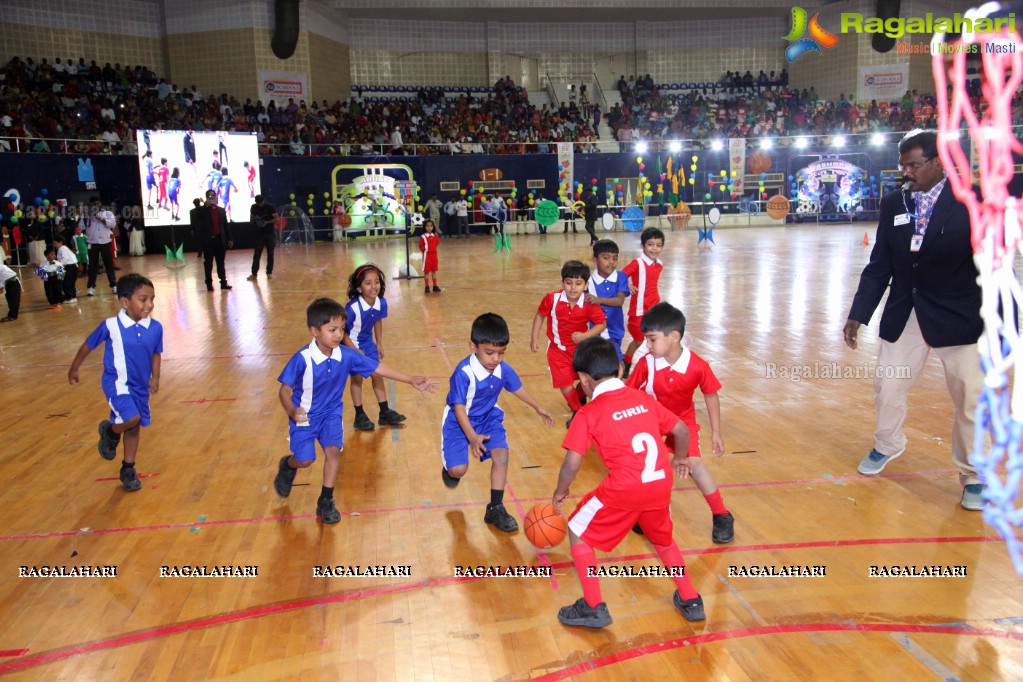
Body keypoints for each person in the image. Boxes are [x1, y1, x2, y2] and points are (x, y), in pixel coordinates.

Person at [844, 129, 985, 510]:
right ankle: (888, 444)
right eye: (903, 164)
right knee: (887, 387)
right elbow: (880, 265)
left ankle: (973, 475)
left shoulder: (972, 201)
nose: (907, 171)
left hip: (959, 315)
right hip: (906, 310)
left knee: (970, 400)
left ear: (940, 162)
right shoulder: (894, 203)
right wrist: (858, 314)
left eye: (915, 164)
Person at [553, 336, 705, 628]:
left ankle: (594, 606)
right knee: (663, 540)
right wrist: (682, 459)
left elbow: (572, 462)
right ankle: (691, 598)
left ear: (583, 379)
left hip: (624, 487)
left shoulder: (588, 413)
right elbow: (682, 429)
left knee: (577, 530)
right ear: (620, 371)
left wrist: (561, 491)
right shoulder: (643, 399)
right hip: (660, 483)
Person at [274, 298, 436, 523]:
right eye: (332, 330)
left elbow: (377, 367)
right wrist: (292, 410)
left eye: (341, 329)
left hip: (331, 413)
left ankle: (326, 500)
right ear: (314, 331)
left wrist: (410, 380)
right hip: (305, 417)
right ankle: (288, 465)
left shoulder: (347, 355)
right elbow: (284, 390)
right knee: (305, 460)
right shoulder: (302, 359)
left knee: (333, 453)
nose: (339, 334)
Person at [626, 302, 734, 542]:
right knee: (647, 468)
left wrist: (716, 431)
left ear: (674, 337)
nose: (647, 345)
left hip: (683, 421)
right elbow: (627, 393)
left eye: (652, 339)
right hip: (652, 422)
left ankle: (721, 515)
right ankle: (648, 513)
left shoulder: (698, 365)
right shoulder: (646, 363)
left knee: (694, 464)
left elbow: (710, 394)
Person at [441, 313, 555, 531]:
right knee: (458, 470)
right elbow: (459, 408)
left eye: (501, 353)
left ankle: (495, 508)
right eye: (490, 353)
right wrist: (472, 437)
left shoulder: (503, 368)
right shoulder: (463, 373)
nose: (496, 359)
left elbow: (517, 388)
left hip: (488, 417)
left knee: (501, 456)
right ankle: (449, 470)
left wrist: (537, 406)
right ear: (473, 347)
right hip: (459, 420)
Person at [68, 273, 162, 492]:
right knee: (132, 418)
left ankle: (128, 468)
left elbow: (156, 353)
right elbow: (88, 345)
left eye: (152, 299)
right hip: (116, 384)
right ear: (124, 302)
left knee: (134, 427)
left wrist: (155, 377)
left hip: (139, 387)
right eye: (143, 299)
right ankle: (110, 432)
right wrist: (74, 367)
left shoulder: (155, 327)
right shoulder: (111, 326)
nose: (149, 304)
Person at [530, 260, 607, 426]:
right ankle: (580, 413)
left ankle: (579, 397)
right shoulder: (552, 299)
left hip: (581, 351)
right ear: (562, 283)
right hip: (557, 351)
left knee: (586, 381)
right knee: (564, 384)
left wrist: (585, 336)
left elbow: (601, 324)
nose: (573, 288)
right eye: (569, 283)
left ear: (585, 285)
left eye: (578, 283)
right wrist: (534, 338)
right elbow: (540, 315)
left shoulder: (588, 304)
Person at [344, 263, 405, 430]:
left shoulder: (381, 303)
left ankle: (384, 412)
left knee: (377, 374)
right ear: (359, 288)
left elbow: (378, 320)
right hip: (351, 344)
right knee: (357, 378)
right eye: (368, 283)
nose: (374, 286)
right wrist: (354, 350)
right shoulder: (352, 308)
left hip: (367, 343)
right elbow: (341, 332)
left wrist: (379, 343)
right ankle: (359, 414)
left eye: (376, 282)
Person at [622, 227, 665, 368]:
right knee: (639, 341)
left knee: (656, 339)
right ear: (642, 246)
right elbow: (621, 276)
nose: (654, 249)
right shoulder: (637, 263)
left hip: (654, 310)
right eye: (650, 244)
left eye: (658, 245)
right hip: (638, 311)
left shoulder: (659, 265)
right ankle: (627, 361)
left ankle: (655, 367)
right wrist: (627, 285)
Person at [585, 239, 630, 363]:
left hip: (616, 330)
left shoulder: (621, 276)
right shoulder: (588, 282)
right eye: (606, 258)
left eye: (615, 258)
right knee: (617, 364)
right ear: (595, 260)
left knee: (607, 365)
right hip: (599, 332)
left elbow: (619, 300)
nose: (611, 262)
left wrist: (598, 300)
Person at [191, 188, 233, 292]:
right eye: (209, 196)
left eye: (213, 196)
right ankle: (209, 283)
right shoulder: (203, 210)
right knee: (208, 263)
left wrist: (229, 238)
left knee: (221, 262)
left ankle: (223, 282)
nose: (212, 197)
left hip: (220, 240)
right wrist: (205, 207)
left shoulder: (221, 210)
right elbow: (198, 218)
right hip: (208, 241)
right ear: (207, 198)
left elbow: (225, 225)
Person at [80, 197, 117, 297]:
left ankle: (114, 285)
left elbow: (112, 224)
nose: (95, 205)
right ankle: (91, 287)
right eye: (93, 204)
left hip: (105, 242)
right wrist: (86, 217)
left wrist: (98, 217)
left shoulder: (107, 213)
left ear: (100, 203)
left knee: (109, 264)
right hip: (92, 242)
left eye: (97, 203)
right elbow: (81, 227)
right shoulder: (86, 214)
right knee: (92, 266)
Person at [247, 194, 278, 281]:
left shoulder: (270, 207)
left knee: (270, 253)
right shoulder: (253, 207)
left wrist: (266, 222)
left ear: (263, 200)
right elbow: (251, 219)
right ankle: (254, 274)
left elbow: (277, 219)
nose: (259, 204)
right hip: (259, 234)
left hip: (269, 233)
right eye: (258, 203)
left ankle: (269, 272)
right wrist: (255, 221)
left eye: (261, 202)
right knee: (257, 254)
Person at [54, 236, 79, 303]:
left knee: (66, 283)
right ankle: (73, 297)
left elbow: (65, 259)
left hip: (68, 267)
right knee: (72, 283)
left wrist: (59, 266)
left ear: (60, 242)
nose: (54, 245)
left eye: (55, 243)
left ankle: (69, 297)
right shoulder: (66, 248)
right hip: (74, 266)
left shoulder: (61, 249)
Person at [419, 219, 441, 293]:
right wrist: (425, 248)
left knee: (434, 271)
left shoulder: (435, 236)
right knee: (427, 271)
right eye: (427, 226)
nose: (429, 228)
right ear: (425, 227)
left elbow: (436, 244)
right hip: (427, 256)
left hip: (434, 256)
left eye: (431, 226)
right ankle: (427, 286)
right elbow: (420, 247)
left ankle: (435, 286)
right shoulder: (423, 236)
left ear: (433, 227)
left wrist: (432, 249)